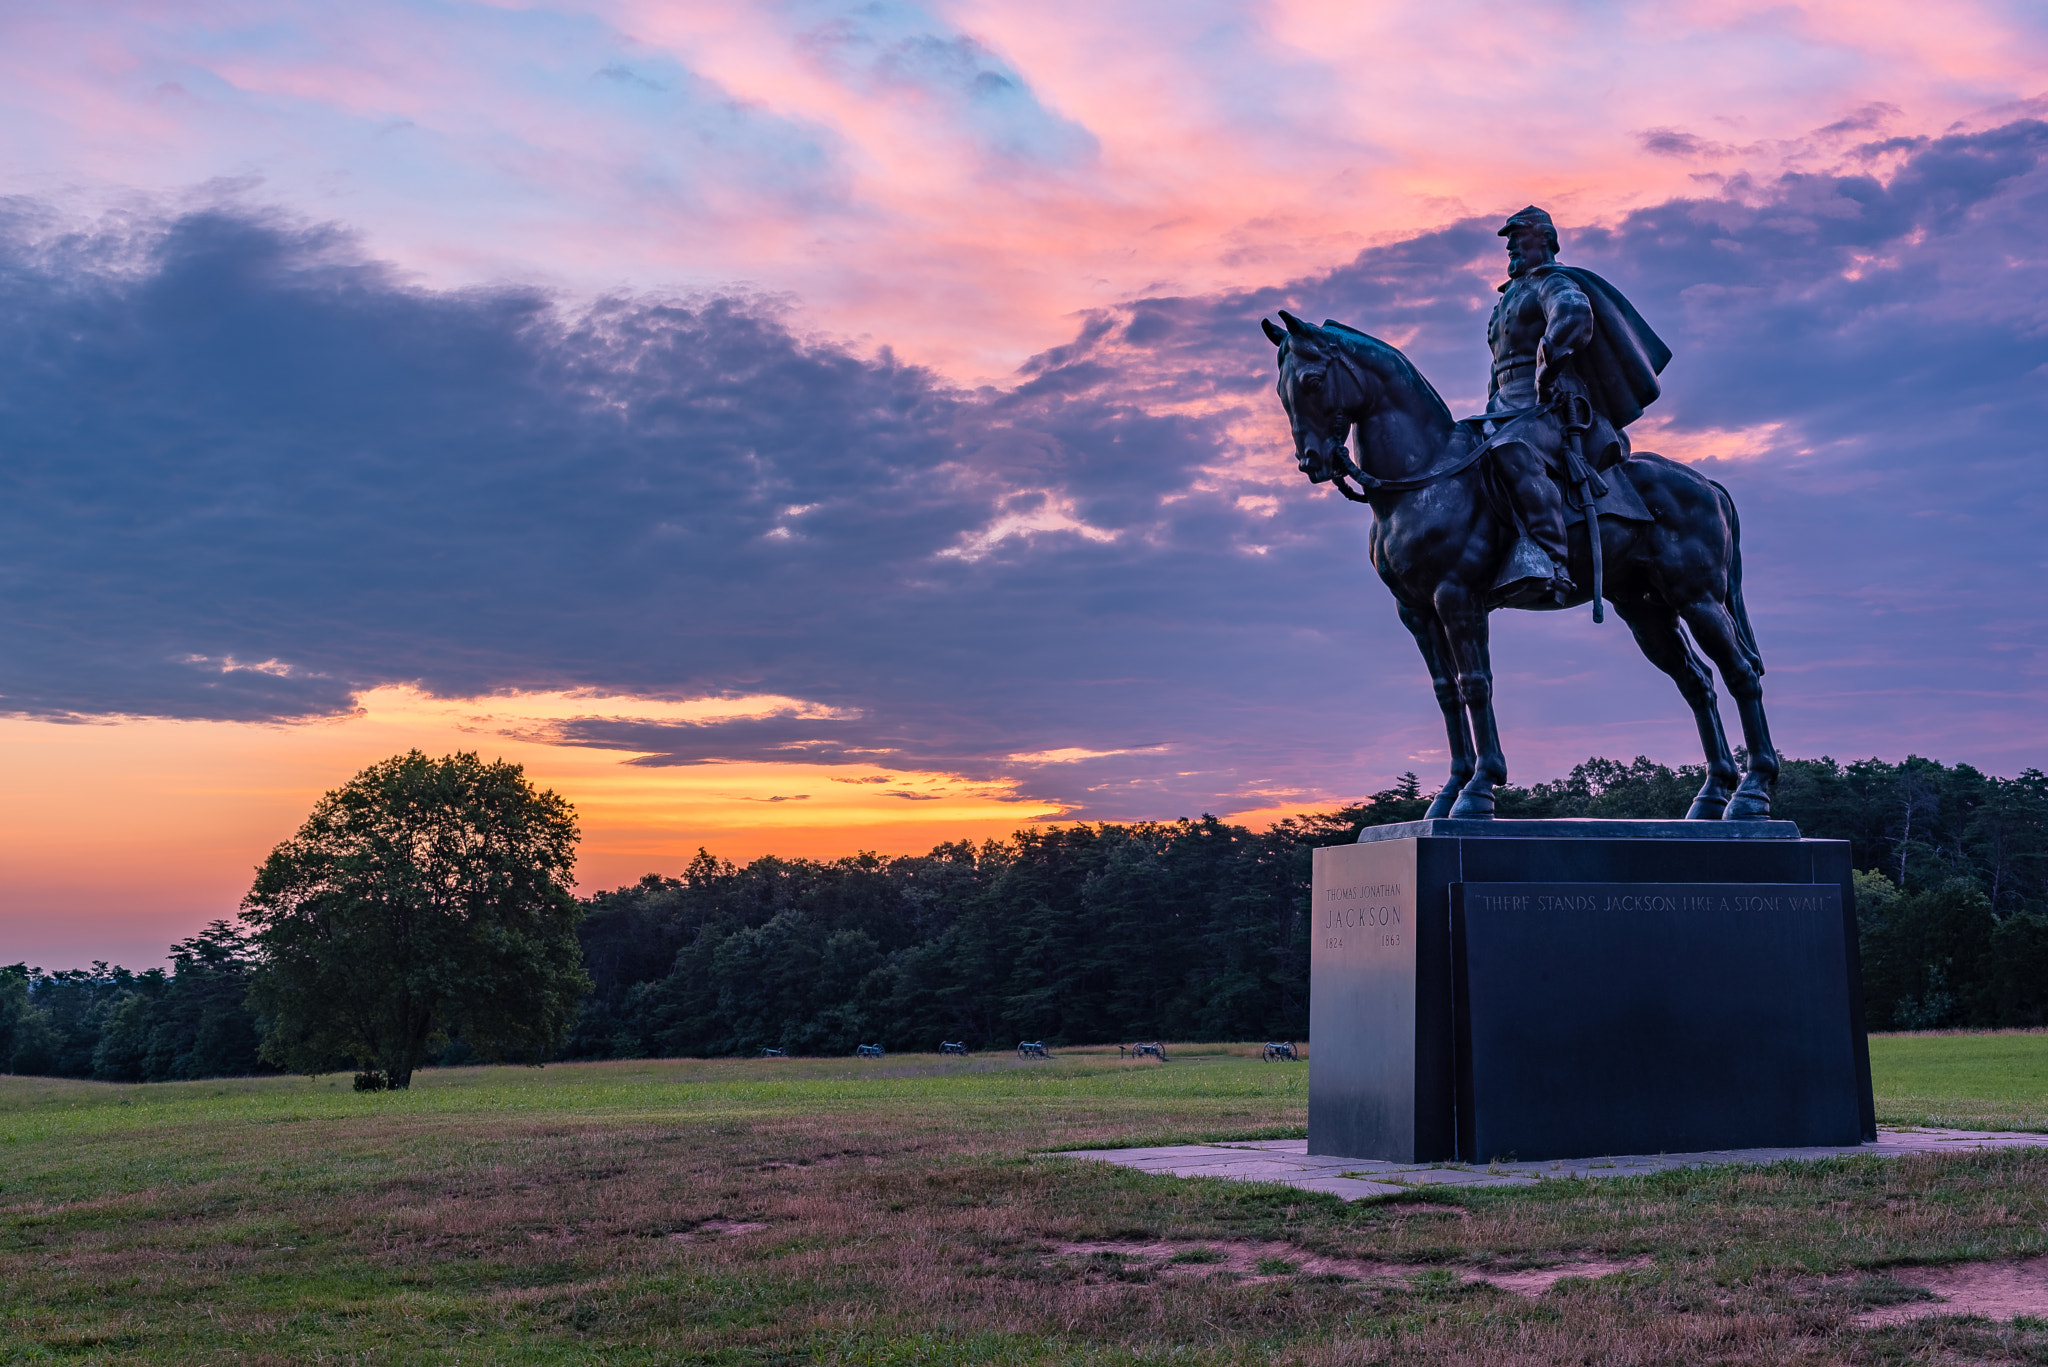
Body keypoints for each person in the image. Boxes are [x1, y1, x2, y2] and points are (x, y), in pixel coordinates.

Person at [1483, 207, 1671, 606]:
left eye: (1519, 236)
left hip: (1553, 405)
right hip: (1505, 408)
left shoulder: (1551, 282)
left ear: (1547, 239)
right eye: (1508, 238)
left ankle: (1552, 561)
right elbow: (1497, 367)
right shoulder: (1505, 301)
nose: (1511, 244)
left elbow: (1573, 314)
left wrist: (1546, 368)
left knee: (1510, 450)